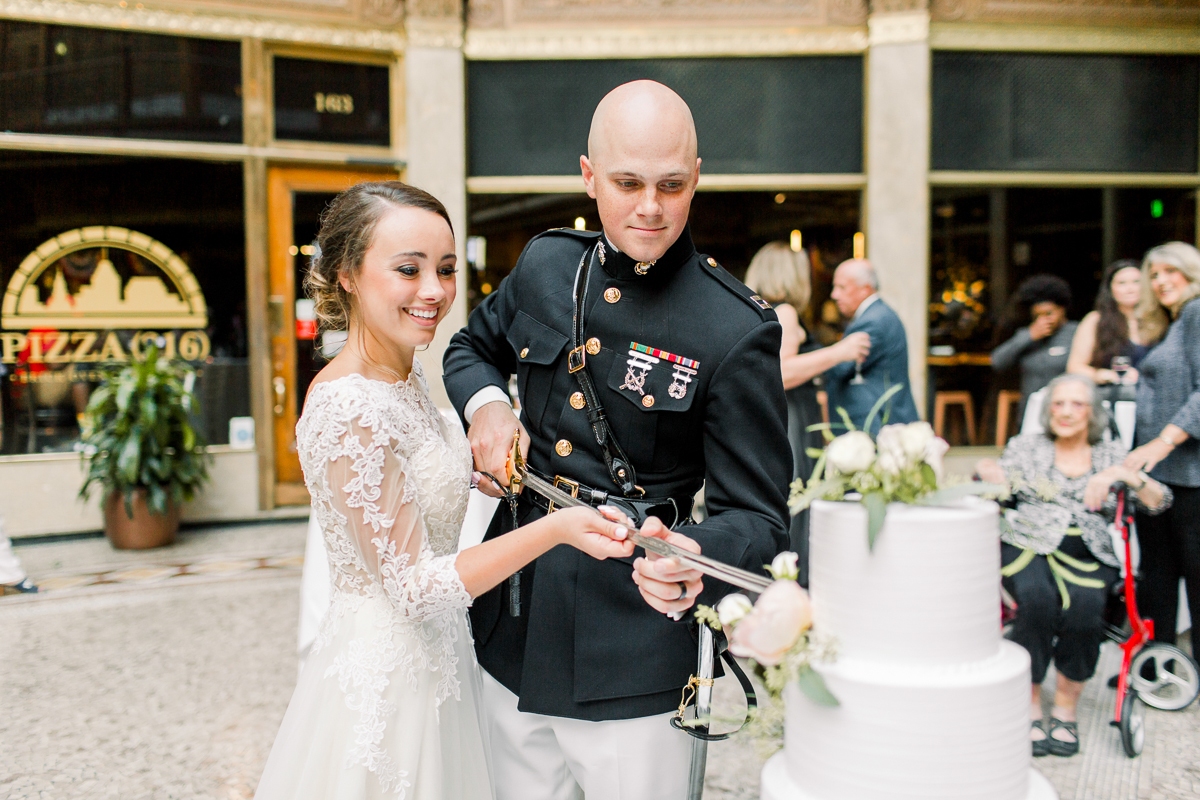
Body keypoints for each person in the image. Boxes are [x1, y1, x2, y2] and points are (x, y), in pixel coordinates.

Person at [253, 181, 659, 800]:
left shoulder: (401, 375)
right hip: (388, 682)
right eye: (407, 270)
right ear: (348, 276)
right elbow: (414, 588)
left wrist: (473, 471)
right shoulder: (348, 406)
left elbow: (409, 488)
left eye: (445, 269)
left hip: (440, 665)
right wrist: (552, 528)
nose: (435, 292)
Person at [443, 80, 791, 800]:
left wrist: (699, 553)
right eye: (628, 183)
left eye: (671, 184)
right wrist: (486, 409)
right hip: (514, 619)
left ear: (696, 178)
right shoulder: (545, 266)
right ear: (589, 176)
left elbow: (758, 518)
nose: (651, 207)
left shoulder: (734, 328)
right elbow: (470, 348)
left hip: (637, 644)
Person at [976, 374, 1170, 757]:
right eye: (1058, 403)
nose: (1065, 412)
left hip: (1091, 549)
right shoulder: (1025, 446)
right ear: (1047, 411)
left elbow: (1158, 501)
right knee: (1035, 603)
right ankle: (1029, 703)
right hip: (1029, 542)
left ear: (1093, 412)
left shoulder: (1112, 452)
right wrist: (986, 467)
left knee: (1085, 610)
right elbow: (997, 483)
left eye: (1076, 404)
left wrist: (1120, 474)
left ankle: (1066, 707)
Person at [744, 241, 869, 580]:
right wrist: (839, 352)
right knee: (798, 499)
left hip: (773, 418)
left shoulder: (756, 311)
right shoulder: (785, 312)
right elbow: (781, 374)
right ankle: (795, 584)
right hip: (793, 418)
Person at [1123, 241, 1200, 660]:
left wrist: (1162, 440)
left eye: (1173, 271)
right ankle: (1157, 666)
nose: (1161, 281)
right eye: (1154, 275)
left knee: (1191, 576)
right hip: (1157, 476)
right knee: (1158, 576)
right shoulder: (1171, 323)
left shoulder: (1197, 311)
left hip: (1191, 476)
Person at [823, 258, 919, 432]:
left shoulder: (873, 322)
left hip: (880, 425)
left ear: (865, 289)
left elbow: (839, 367)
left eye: (842, 287)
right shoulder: (878, 315)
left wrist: (806, 357)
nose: (834, 295)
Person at [991, 275, 1078, 414]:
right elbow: (997, 362)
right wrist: (1029, 336)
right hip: (1032, 410)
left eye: (1049, 313)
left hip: (1066, 411)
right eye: (1038, 315)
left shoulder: (1077, 332)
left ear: (1062, 309)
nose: (1044, 320)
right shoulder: (1027, 334)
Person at [1067, 260, 1152, 395]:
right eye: (1122, 283)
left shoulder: (1158, 319)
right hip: (1111, 396)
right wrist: (1104, 375)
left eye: (1136, 282)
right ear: (1110, 289)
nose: (1130, 288)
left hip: (1151, 396)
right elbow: (1074, 367)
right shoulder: (1096, 320)